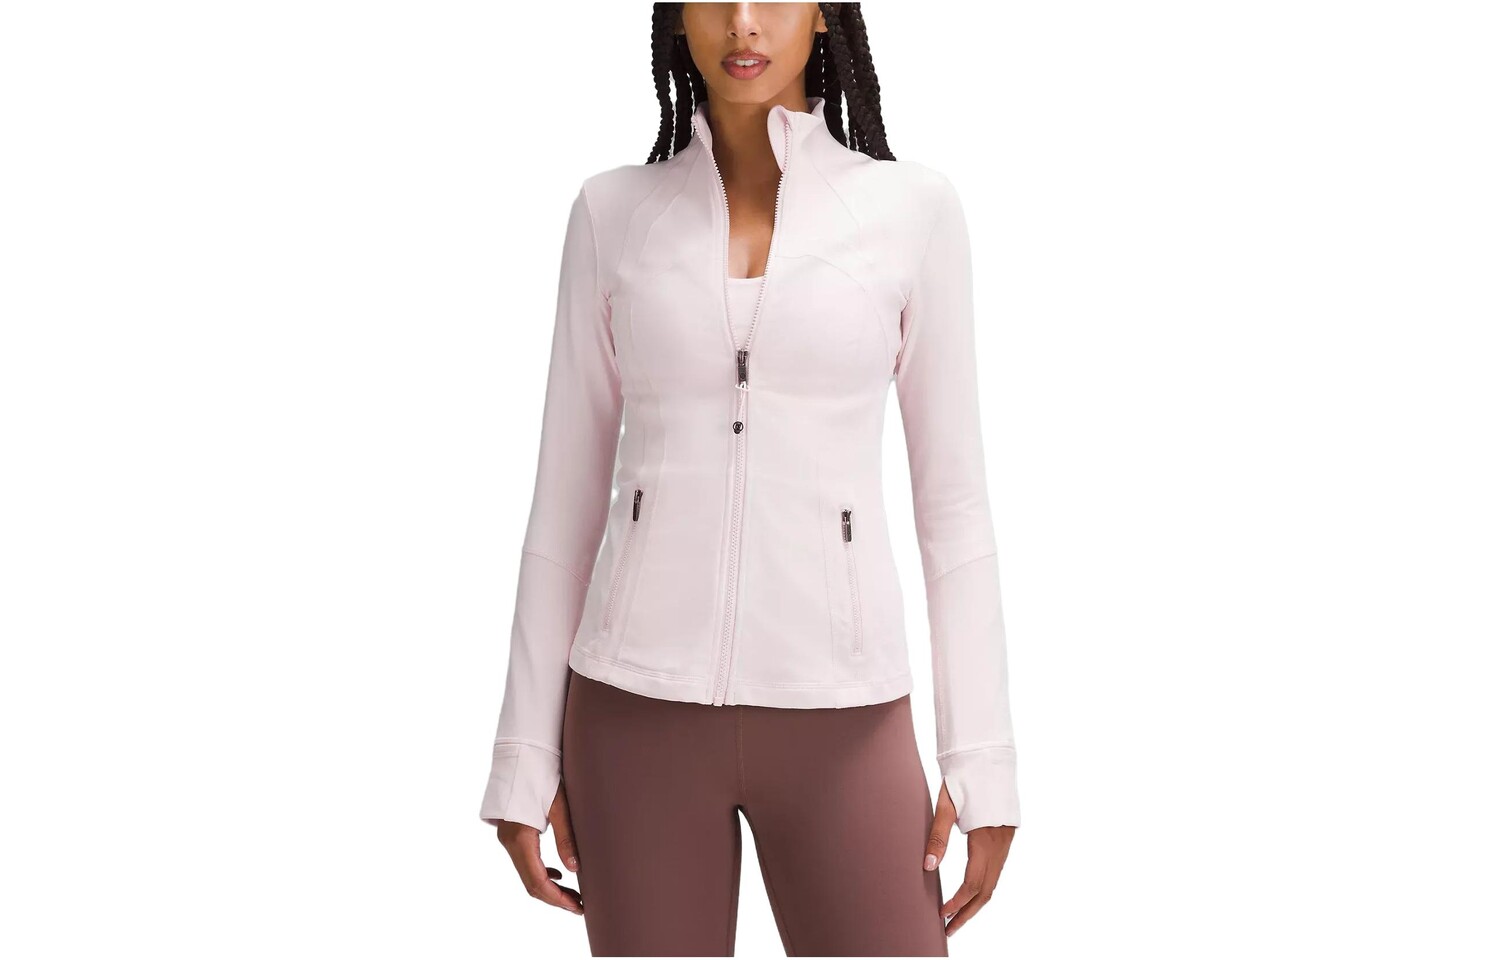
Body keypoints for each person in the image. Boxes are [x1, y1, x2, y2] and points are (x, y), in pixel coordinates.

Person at [480, 3, 1020, 955]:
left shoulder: (912, 212)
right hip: (633, 716)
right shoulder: (613, 215)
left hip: (844, 717)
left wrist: (983, 758)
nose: (742, 22)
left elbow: (955, 507)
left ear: (825, 15)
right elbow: (562, 503)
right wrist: (523, 754)